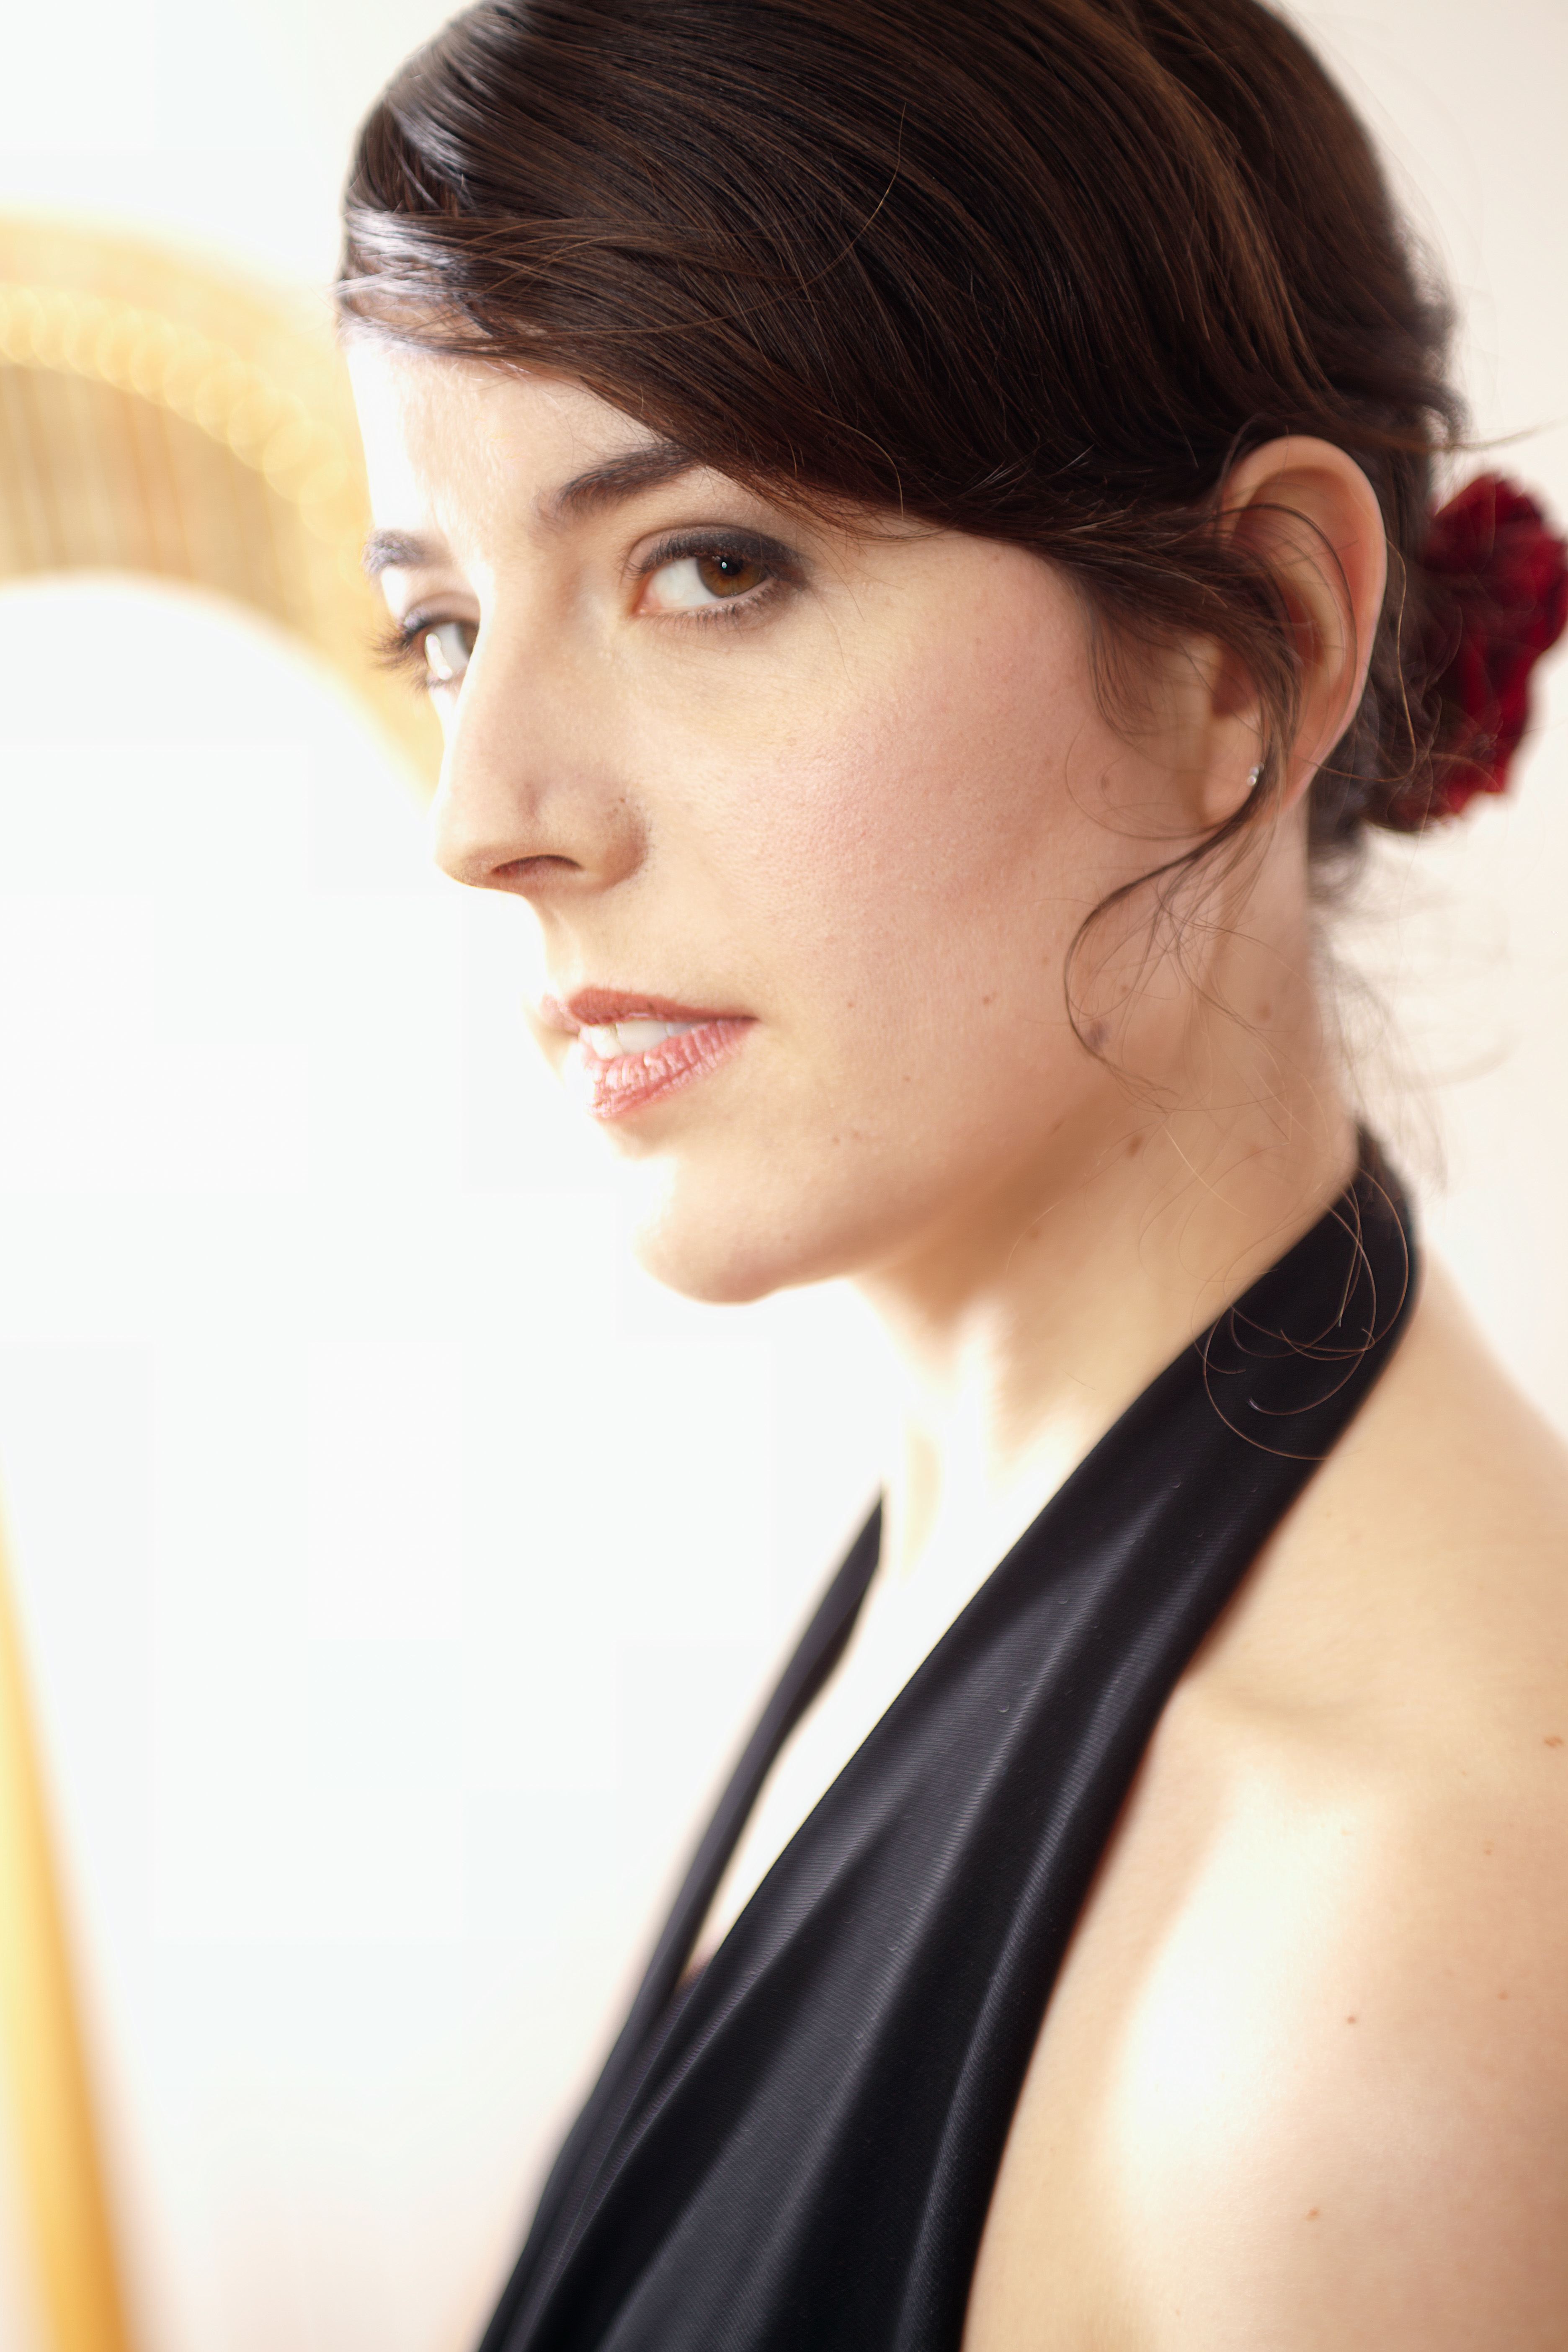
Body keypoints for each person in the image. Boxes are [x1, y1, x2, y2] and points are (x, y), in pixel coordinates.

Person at [338, 2, 1568, 2343]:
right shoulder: (972, 1558)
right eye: (443, 627)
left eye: (710, 565)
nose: (484, 815)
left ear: (1252, 651)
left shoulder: (1375, 1992)